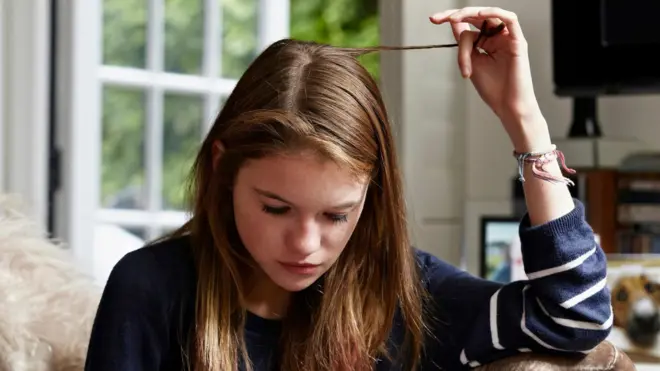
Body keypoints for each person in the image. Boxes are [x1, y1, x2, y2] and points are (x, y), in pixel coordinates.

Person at [84, 7, 612, 371]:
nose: (305, 244)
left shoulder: (404, 295)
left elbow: (575, 317)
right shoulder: (150, 288)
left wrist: (526, 124)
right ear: (223, 171)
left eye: (337, 215)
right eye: (275, 208)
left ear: (372, 194)